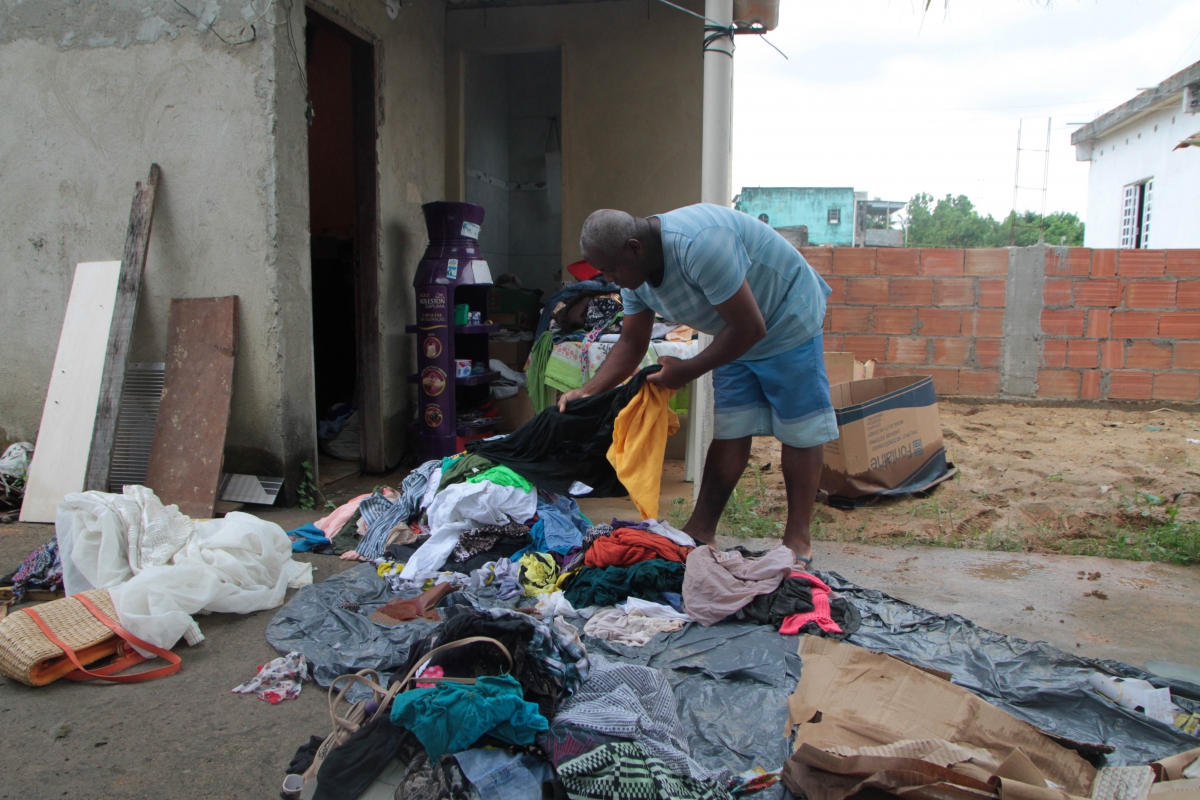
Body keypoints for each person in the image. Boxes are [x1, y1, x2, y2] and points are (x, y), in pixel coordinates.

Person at [557, 204, 835, 566]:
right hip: (734, 331)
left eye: (610, 269)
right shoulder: (635, 277)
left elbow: (751, 327)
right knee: (731, 428)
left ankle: (797, 539)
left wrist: (686, 371)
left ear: (634, 248)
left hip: (786, 319)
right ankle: (701, 529)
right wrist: (587, 390)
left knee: (800, 429)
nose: (609, 280)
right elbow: (631, 343)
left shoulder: (700, 245)